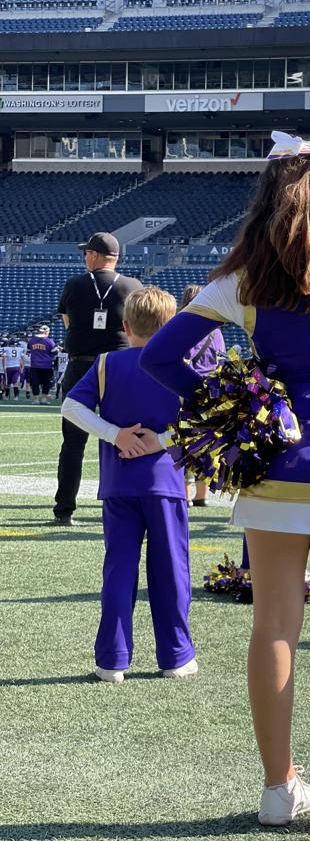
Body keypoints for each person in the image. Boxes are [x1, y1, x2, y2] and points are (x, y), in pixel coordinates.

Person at [140, 31, 310, 831]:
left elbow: (159, 358)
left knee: (273, 627)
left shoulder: (241, 279)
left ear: (265, 198)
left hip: (271, 466)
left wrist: (230, 401)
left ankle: (276, 789)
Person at [61, 286, 197, 681]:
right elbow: (203, 421)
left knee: (119, 571)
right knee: (171, 571)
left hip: (118, 484)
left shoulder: (106, 363)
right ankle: (175, 657)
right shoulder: (179, 366)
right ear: (171, 326)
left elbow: (71, 406)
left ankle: (112, 660)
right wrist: (162, 441)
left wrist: (115, 434)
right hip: (166, 484)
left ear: (125, 325)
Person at [53, 232, 142, 526]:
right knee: (125, 436)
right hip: (118, 367)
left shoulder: (74, 284)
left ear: (93, 255)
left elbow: (68, 322)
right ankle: (127, 507)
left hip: (81, 366)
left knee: (73, 442)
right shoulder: (132, 286)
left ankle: (64, 509)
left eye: (86, 254)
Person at [179, 284, 226, 509]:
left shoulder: (184, 327)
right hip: (213, 392)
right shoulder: (216, 330)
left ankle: (185, 494)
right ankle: (202, 495)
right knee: (207, 444)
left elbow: (182, 358)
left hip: (190, 389)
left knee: (185, 443)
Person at [27, 325, 58, 405]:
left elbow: (29, 351)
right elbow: (55, 353)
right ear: (46, 332)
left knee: (35, 383)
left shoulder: (31, 341)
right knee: (46, 383)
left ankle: (36, 400)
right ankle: (44, 399)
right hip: (47, 365)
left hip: (34, 365)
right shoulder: (49, 341)